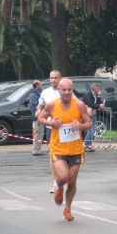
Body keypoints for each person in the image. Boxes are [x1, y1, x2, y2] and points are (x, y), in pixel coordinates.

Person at [37, 78, 92, 221]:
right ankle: (59, 189)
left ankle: (67, 209)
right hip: (58, 148)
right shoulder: (51, 105)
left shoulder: (79, 105)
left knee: (72, 182)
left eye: (69, 90)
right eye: (64, 90)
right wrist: (51, 123)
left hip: (75, 149)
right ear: (59, 90)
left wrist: (80, 126)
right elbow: (40, 119)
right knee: (62, 178)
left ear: (72, 89)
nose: (67, 92)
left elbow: (89, 123)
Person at [36, 70, 76, 194]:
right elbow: (40, 105)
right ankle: (55, 183)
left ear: (60, 79)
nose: (53, 80)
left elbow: (77, 105)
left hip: (66, 129)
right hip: (51, 128)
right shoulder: (45, 92)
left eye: (55, 78)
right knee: (53, 156)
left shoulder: (67, 92)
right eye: (51, 78)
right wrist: (38, 111)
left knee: (67, 155)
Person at [82, 83, 105, 152]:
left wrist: (99, 96)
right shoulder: (88, 94)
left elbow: (98, 102)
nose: (99, 90)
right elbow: (90, 104)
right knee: (90, 131)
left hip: (93, 113)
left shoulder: (95, 94)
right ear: (95, 88)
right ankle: (87, 146)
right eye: (98, 88)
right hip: (88, 114)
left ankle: (88, 145)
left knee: (93, 130)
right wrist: (98, 106)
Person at [29, 80, 44, 156]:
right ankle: (36, 151)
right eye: (40, 83)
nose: (42, 84)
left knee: (39, 133)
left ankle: (37, 150)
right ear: (37, 85)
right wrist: (37, 117)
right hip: (37, 118)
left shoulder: (35, 93)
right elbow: (34, 106)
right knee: (38, 133)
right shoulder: (34, 95)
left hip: (38, 117)